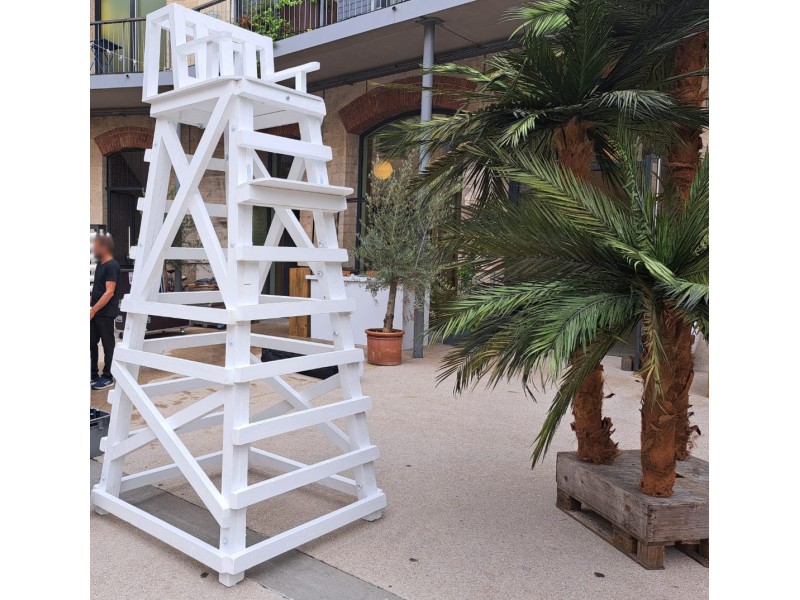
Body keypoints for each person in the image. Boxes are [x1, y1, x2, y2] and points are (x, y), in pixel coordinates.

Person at [91, 235, 121, 390]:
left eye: (95, 246)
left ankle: (108, 376)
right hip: (95, 312)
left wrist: (94, 309)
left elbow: (109, 292)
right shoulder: (100, 265)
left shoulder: (111, 266)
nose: (93, 249)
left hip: (105, 313)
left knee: (108, 344)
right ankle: (93, 375)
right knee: (90, 343)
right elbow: (97, 290)